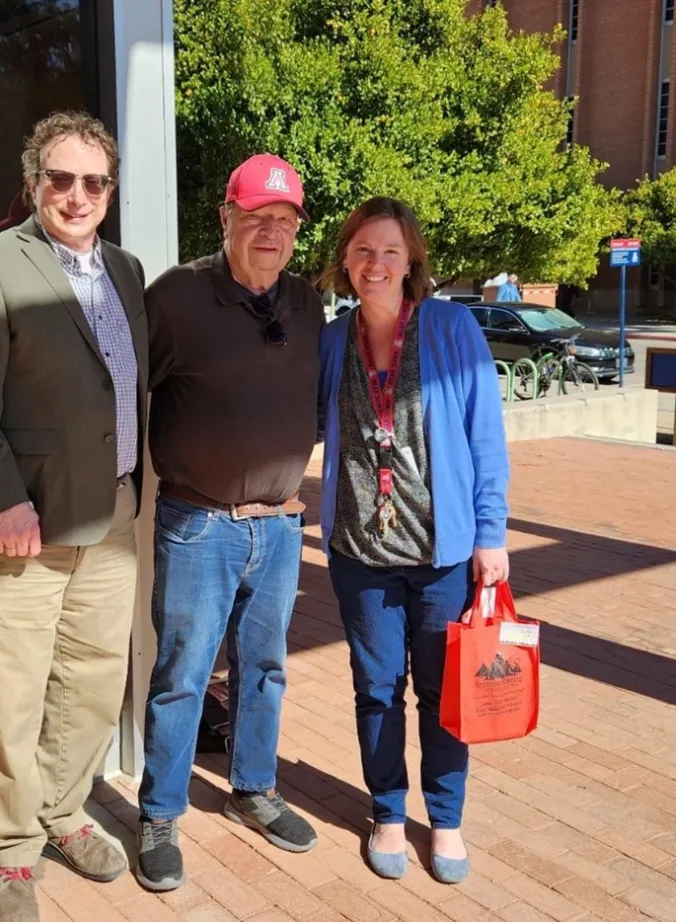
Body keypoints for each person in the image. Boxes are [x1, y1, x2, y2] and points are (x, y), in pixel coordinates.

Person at [0, 111, 147, 922]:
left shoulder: (126, 271)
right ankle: (12, 856)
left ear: (109, 191)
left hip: (112, 519)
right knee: (11, 697)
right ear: (33, 184)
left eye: (93, 181)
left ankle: (63, 814)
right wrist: (4, 499)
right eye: (59, 178)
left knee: (93, 688)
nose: (77, 194)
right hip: (17, 530)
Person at [136, 153, 322, 892]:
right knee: (183, 674)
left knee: (265, 669)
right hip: (198, 524)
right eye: (256, 217)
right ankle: (159, 812)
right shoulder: (177, 297)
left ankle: (253, 789)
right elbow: (118, 389)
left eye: (284, 220)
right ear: (226, 219)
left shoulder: (308, 305)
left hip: (280, 527)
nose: (270, 232)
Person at [317, 197, 510, 885]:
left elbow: (486, 436)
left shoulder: (451, 326)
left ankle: (447, 820)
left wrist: (492, 533)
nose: (376, 264)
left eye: (390, 251)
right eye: (364, 250)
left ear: (412, 260)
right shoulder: (333, 340)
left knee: (443, 694)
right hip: (359, 556)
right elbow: (303, 421)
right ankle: (388, 812)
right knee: (376, 689)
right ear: (345, 259)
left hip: (443, 557)